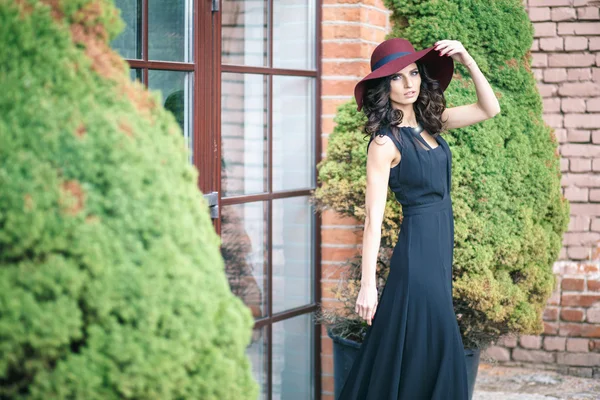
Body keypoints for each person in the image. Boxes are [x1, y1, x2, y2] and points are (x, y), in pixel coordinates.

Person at [337, 38, 501, 399]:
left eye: (413, 73)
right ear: (384, 85)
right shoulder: (384, 144)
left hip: (440, 246)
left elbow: (489, 109)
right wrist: (368, 285)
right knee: (439, 339)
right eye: (397, 77)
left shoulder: (432, 122)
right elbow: (373, 221)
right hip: (417, 254)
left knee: (412, 343)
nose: (409, 83)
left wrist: (468, 59)